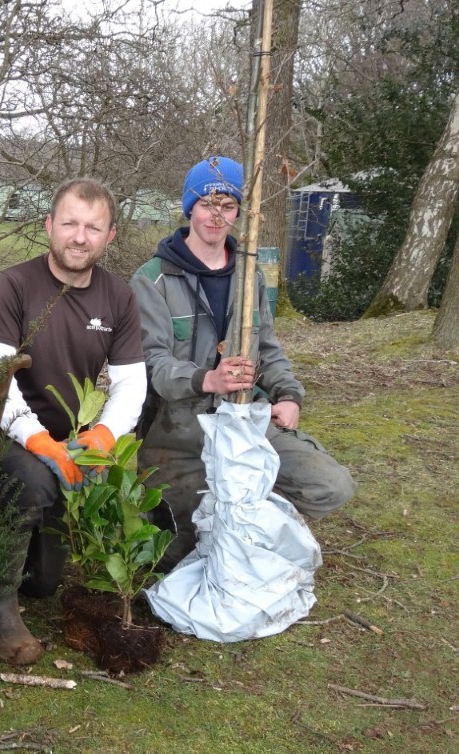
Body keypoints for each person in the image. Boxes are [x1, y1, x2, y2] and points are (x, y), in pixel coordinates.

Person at [129, 156, 355, 568]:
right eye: (206, 204)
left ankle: (251, 504)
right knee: (177, 558)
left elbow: (266, 348)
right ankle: (219, 507)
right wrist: (206, 379)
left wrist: (288, 394)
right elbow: (151, 362)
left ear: (240, 213)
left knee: (331, 485)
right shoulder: (152, 278)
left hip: (247, 424)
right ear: (189, 209)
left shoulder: (250, 276)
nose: (217, 217)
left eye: (228, 206)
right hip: (177, 434)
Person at [0, 178, 148, 661]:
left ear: (110, 235)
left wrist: (104, 435)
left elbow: (131, 383)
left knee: (46, 583)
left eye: (92, 227)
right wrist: (39, 443)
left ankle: (23, 572)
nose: (79, 236)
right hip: (3, 430)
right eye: (70, 223)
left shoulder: (118, 297)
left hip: (71, 436)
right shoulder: (12, 286)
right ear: (50, 226)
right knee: (33, 482)